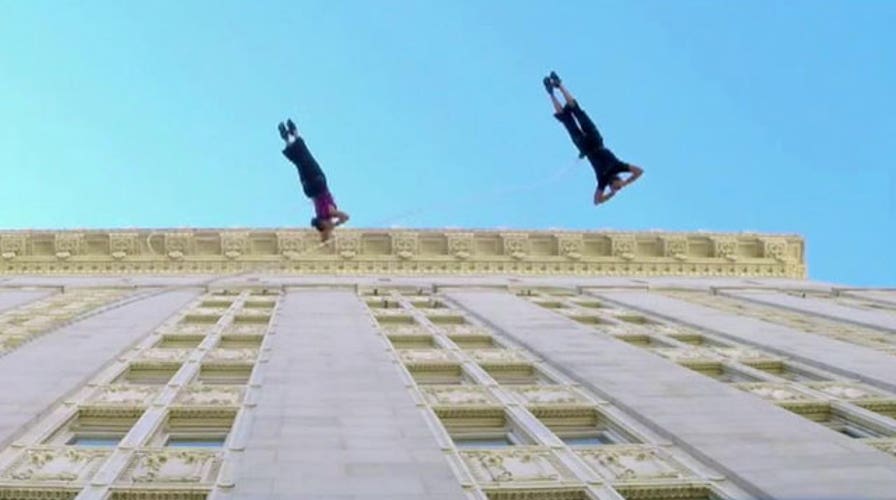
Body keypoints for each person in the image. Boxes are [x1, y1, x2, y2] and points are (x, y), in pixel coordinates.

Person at [544, 71, 643, 205]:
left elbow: (596, 201)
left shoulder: (603, 180)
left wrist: (610, 194)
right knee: (577, 111)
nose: (617, 188)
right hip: (596, 140)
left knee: (567, 121)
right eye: (618, 187)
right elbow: (639, 171)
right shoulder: (619, 167)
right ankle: (559, 85)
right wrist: (625, 183)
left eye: (616, 188)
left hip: (585, 147)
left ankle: (551, 93)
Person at [278, 119, 349, 241]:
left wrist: (335, 224)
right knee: (299, 162)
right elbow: (324, 236)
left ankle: (294, 134)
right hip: (308, 190)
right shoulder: (319, 217)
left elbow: (346, 217)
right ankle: (288, 139)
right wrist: (328, 230)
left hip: (319, 185)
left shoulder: (329, 214)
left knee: (306, 157)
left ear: (325, 224)